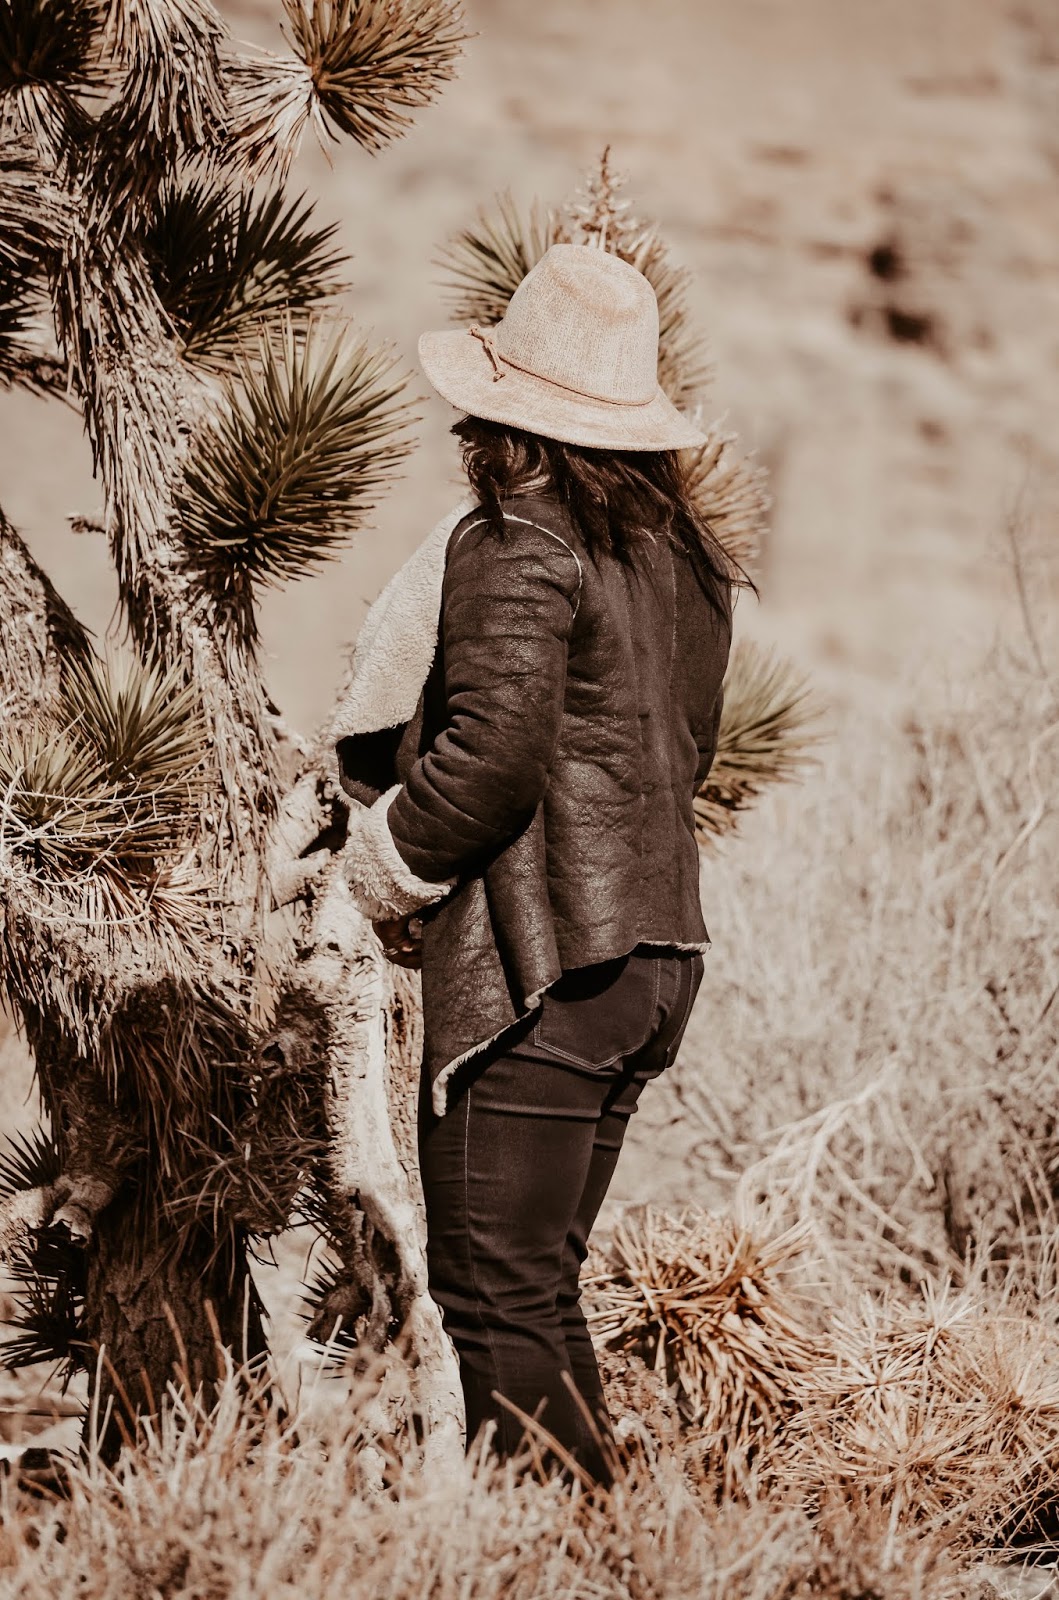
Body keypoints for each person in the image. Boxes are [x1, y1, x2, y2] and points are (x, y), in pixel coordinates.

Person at [336, 243, 738, 1485]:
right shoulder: (687, 559)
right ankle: (594, 1542)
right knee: (534, 1281)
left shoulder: (518, 538)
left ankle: (561, 1550)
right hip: (652, 957)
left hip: (548, 965)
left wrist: (371, 871)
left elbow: (490, 760)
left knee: (492, 1290)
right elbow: (690, 752)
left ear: (504, 411)